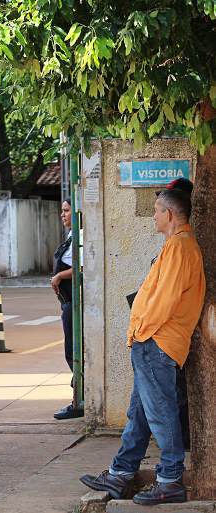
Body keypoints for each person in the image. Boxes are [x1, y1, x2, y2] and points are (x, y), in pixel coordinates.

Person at [80, 187, 205, 505]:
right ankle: (121, 474)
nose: (153, 216)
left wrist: (140, 332)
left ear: (170, 215)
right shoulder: (176, 245)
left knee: (161, 413)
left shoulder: (180, 246)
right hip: (155, 342)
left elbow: (164, 301)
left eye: (156, 211)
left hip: (157, 341)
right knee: (140, 414)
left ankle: (170, 480)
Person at [51, 199, 83, 420]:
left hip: (75, 301)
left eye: (66, 210)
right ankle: (78, 397)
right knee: (70, 350)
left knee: (73, 351)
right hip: (67, 301)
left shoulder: (81, 236)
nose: (63, 215)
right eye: (62, 211)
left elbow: (82, 266)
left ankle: (79, 400)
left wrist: (61, 275)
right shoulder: (72, 235)